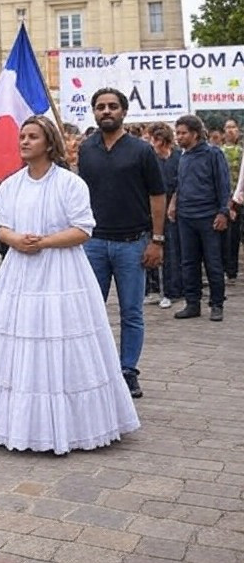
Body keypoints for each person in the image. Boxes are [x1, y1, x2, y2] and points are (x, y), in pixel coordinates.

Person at [0, 116, 139, 453]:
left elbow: (83, 229)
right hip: (20, 273)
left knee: (60, 338)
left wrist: (44, 242)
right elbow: (2, 227)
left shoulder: (70, 184)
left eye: (32, 136)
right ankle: (12, 421)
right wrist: (16, 240)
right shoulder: (11, 185)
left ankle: (71, 422)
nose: (24, 142)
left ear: (49, 142)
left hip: (62, 272)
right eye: (22, 136)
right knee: (19, 339)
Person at [78, 88, 166, 400]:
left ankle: (128, 371)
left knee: (131, 312)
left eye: (112, 106)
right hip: (94, 245)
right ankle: (96, 371)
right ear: (94, 112)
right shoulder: (85, 150)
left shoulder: (142, 151)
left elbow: (158, 196)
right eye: (100, 107)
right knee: (90, 311)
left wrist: (156, 240)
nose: (106, 111)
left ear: (124, 112)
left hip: (133, 244)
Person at [170, 115, 229, 322]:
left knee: (213, 262)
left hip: (208, 217)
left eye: (183, 133)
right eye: (177, 133)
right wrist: (173, 204)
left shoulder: (214, 154)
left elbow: (223, 184)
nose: (179, 137)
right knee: (188, 262)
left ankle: (216, 304)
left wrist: (223, 212)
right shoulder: (183, 157)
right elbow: (180, 184)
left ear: (195, 134)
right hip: (186, 217)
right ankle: (192, 303)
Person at [148, 123, 182, 308]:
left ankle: (174, 290)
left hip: (176, 208)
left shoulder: (178, 157)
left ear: (161, 141)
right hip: (156, 208)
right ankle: (157, 289)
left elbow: (180, 182)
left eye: (154, 139)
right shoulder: (153, 160)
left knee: (174, 250)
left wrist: (174, 203)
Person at [220, 118, 242, 284]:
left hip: (241, 197)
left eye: (233, 127)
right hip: (228, 200)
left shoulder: (241, 151)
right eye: (227, 128)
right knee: (229, 237)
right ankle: (230, 270)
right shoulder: (219, 152)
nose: (230, 131)